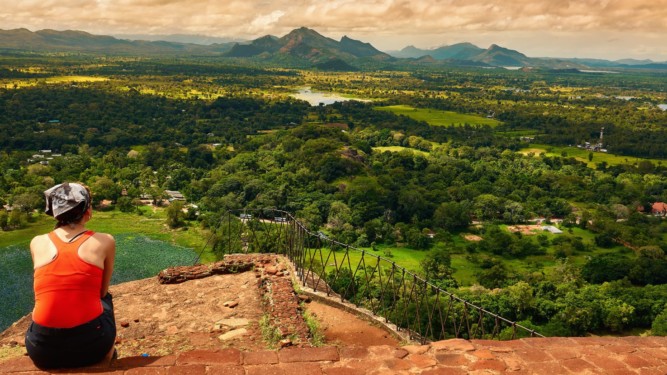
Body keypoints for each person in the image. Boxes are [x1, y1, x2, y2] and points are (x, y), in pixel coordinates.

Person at [25, 182, 117, 369]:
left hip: (41, 349)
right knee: (107, 298)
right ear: (87, 210)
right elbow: (101, 292)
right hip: (92, 348)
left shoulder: (36, 242)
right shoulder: (105, 240)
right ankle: (110, 353)